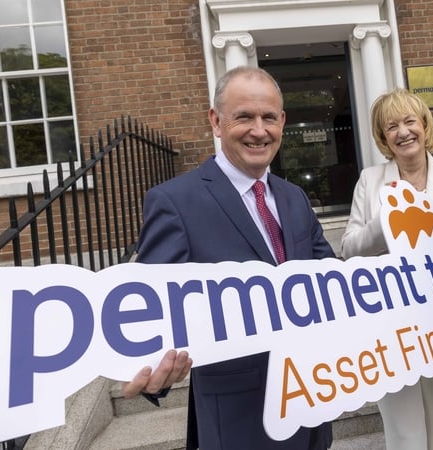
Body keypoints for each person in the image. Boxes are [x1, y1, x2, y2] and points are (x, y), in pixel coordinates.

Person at [121, 66, 335, 450]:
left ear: (282, 122)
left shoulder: (295, 198)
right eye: (244, 117)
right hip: (238, 421)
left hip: (310, 409)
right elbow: (151, 308)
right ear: (216, 122)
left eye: (269, 117)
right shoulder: (174, 202)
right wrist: (150, 368)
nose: (259, 130)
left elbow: (336, 285)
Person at [340, 88, 433, 450]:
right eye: (392, 126)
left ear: (424, 126)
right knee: (404, 433)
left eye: (410, 121)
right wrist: (387, 218)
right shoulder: (370, 180)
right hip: (391, 329)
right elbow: (348, 250)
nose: (403, 132)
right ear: (383, 137)